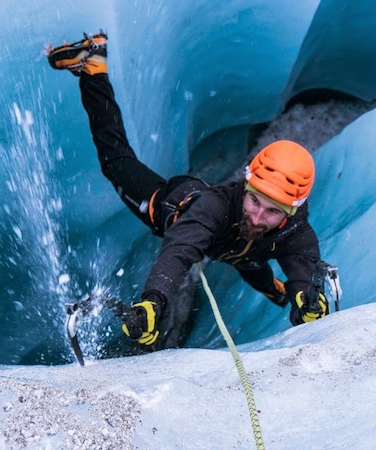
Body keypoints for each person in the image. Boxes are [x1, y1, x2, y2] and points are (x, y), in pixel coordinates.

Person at [47, 32, 331, 349]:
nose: (258, 214)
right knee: (116, 160)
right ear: (246, 185)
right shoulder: (216, 208)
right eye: (254, 200)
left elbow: (303, 275)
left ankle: (274, 291)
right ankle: (94, 67)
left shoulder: (296, 234)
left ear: (291, 212)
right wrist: (153, 303)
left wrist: (306, 304)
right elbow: (179, 253)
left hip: (240, 250)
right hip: (173, 206)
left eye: (273, 211)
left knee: (251, 259)